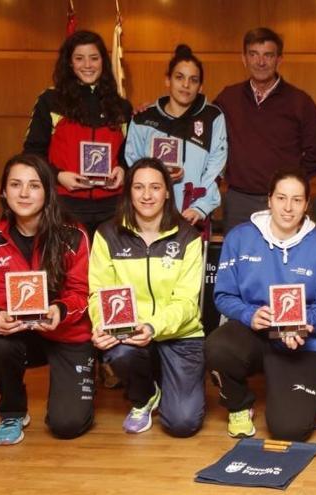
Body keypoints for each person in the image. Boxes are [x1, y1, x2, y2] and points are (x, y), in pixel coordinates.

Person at [204, 168, 316, 441]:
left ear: (307, 205)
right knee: (217, 346)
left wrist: (304, 325)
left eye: (297, 200)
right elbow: (223, 296)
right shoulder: (240, 238)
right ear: (269, 200)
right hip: (252, 333)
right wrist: (249, 314)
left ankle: (308, 388)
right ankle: (239, 404)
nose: (288, 208)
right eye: (281, 198)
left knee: (290, 429)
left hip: (299, 341)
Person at [0, 154, 93, 445]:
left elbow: (81, 292)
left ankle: (88, 376)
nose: (24, 193)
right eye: (16, 185)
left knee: (67, 425)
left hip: (67, 333)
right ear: (4, 192)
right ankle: (12, 411)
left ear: (48, 192)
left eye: (34, 185)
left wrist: (60, 310)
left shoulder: (74, 235)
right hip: (23, 334)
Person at [88, 158, 205, 437]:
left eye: (155, 187)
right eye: (139, 187)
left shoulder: (188, 236)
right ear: (129, 191)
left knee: (182, 423)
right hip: (129, 333)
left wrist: (153, 327)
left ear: (167, 192)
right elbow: (98, 293)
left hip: (180, 335)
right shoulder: (107, 234)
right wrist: (101, 323)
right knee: (119, 351)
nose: (147, 195)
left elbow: (188, 303)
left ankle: (166, 380)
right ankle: (144, 396)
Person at [23, 30, 132, 237]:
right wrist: (58, 176)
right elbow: (32, 154)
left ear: (103, 62)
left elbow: (129, 155)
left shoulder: (121, 107)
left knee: (108, 269)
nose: (88, 65)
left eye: (94, 58)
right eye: (79, 58)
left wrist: (123, 170)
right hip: (65, 205)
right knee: (68, 268)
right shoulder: (51, 100)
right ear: (70, 63)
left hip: (112, 208)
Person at [215, 27, 316, 231]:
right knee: (239, 259)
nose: (260, 62)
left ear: (279, 59)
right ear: (244, 59)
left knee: (286, 260)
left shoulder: (300, 101)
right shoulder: (228, 98)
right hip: (239, 200)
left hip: (285, 201)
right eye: (253, 54)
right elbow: (201, 125)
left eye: (268, 55)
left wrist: (291, 183)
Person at [125, 44, 227, 231]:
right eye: (179, 77)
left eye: (193, 80)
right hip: (149, 216)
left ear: (200, 86)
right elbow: (133, 169)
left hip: (192, 215)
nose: (186, 85)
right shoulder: (144, 118)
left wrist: (200, 207)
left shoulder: (212, 118)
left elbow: (215, 169)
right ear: (167, 80)